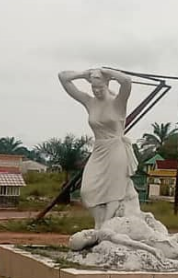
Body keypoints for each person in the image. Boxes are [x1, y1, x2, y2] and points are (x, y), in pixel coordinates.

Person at [58, 68, 140, 228]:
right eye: (93, 88)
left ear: (107, 84)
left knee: (113, 193)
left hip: (116, 150)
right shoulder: (90, 102)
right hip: (99, 150)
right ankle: (99, 222)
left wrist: (106, 71)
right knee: (86, 191)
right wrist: (85, 74)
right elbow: (63, 78)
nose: (96, 91)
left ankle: (105, 227)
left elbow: (126, 81)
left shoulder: (118, 102)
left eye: (100, 88)